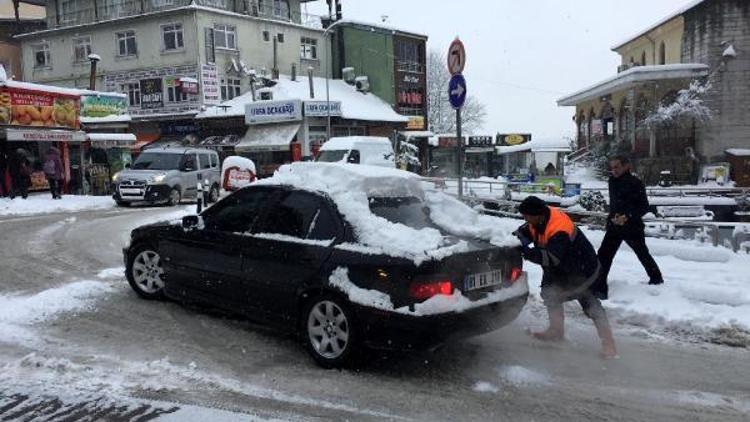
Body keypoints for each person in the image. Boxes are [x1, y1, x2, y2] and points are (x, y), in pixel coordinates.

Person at [513, 196, 617, 359]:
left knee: (590, 304)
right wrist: (511, 241)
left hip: (582, 268)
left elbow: (551, 257)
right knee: (549, 294)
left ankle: (609, 343)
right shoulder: (537, 221)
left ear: (537, 214)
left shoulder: (558, 228)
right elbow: (522, 234)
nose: (525, 219)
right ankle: (556, 332)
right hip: (561, 269)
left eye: (527, 216)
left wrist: (526, 253)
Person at [591, 155, 663, 300]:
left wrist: (627, 216)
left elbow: (643, 207)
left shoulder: (636, 183)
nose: (614, 170)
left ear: (626, 166)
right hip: (615, 226)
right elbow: (614, 204)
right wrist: (612, 218)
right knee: (604, 255)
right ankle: (599, 288)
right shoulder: (612, 181)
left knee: (642, 253)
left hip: (632, 226)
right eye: (612, 168)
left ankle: (656, 279)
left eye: (617, 167)